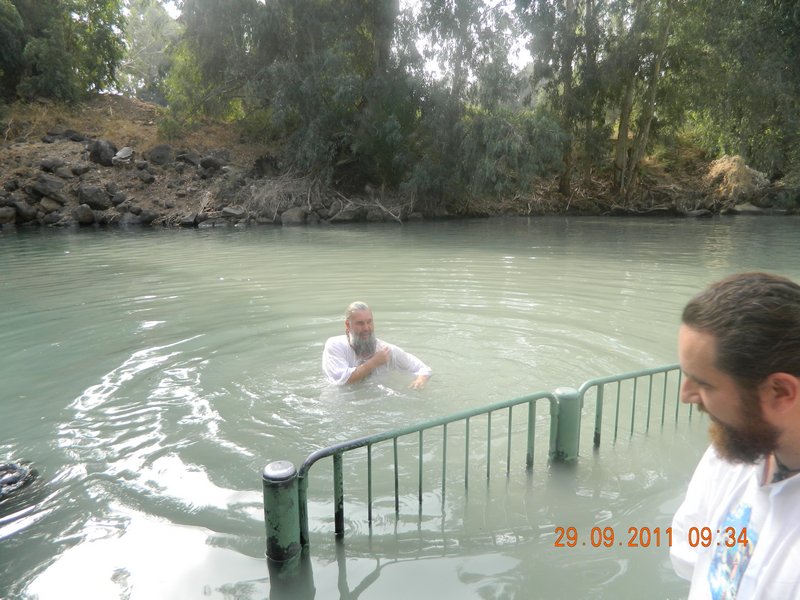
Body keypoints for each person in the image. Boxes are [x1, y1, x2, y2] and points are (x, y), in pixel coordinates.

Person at [671, 272, 800, 599]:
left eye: (704, 383)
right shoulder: (729, 453)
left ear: (780, 391)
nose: (686, 395)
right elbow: (690, 554)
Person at [322, 301, 432, 389]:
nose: (366, 328)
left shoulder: (384, 350)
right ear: (348, 324)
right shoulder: (335, 345)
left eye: (369, 322)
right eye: (360, 323)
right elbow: (343, 380)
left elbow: (423, 369)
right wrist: (374, 362)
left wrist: (420, 380)